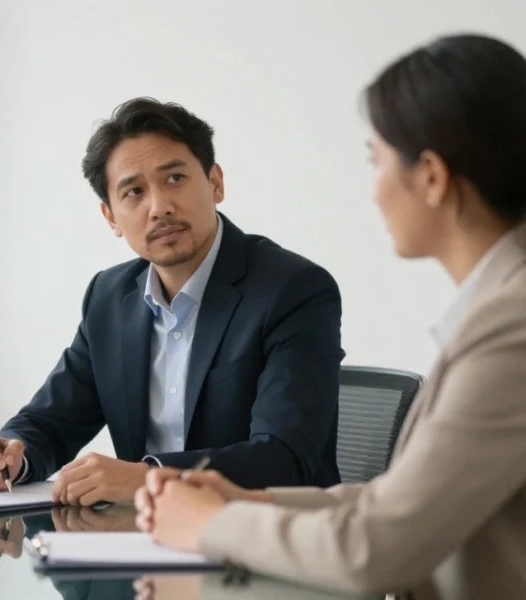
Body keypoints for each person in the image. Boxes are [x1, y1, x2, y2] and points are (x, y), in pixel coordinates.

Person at [135, 33, 526, 599]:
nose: (372, 191)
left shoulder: (510, 327)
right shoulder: (499, 306)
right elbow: (393, 502)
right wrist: (243, 499)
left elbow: (376, 550)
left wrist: (211, 525)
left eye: (377, 162)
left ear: (433, 177)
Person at [0, 98, 345, 505]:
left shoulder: (293, 289)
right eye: (134, 192)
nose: (159, 207)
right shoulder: (109, 298)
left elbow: (283, 458)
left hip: (261, 543)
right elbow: (51, 421)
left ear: (215, 182)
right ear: (111, 217)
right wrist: (9, 454)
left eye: (175, 178)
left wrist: (150, 477)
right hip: (144, 546)